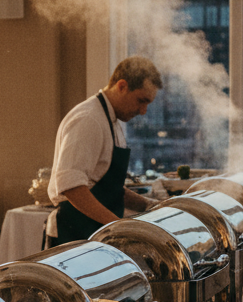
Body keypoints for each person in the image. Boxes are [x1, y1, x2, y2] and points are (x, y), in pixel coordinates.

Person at [46, 56, 162, 245]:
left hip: (95, 232)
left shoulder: (111, 120)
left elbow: (107, 187)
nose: (143, 111)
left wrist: (148, 205)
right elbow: (71, 187)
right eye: (141, 101)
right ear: (122, 86)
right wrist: (118, 226)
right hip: (75, 234)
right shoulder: (89, 119)